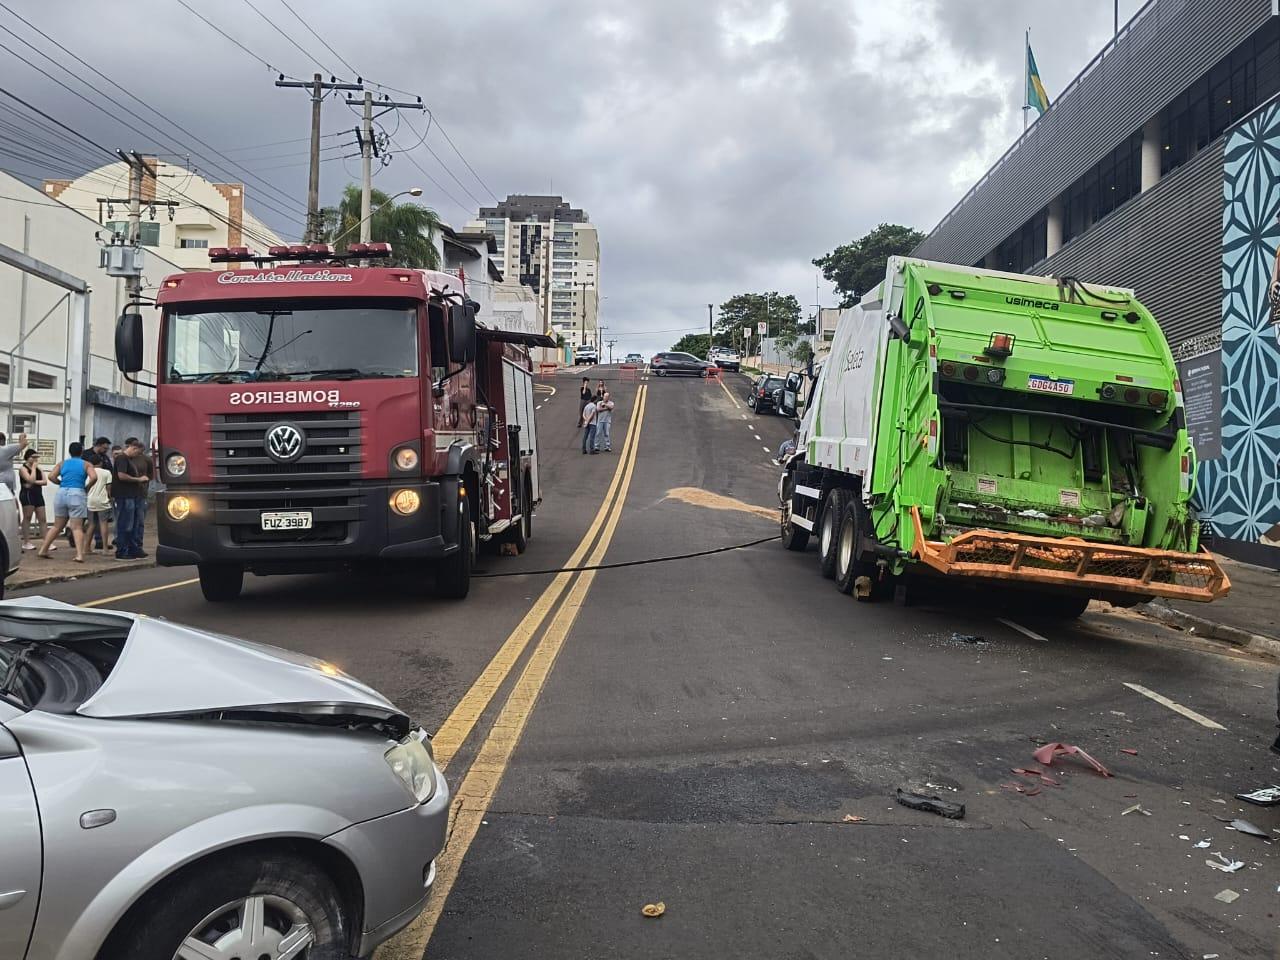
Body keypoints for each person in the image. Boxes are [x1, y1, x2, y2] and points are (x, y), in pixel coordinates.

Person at [36, 442, 96, 562]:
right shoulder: (86, 464)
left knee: (57, 526)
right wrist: (87, 487)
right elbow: (94, 477)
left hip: (62, 493)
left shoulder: (62, 463)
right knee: (77, 527)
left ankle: (43, 549)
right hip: (77, 493)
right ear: (82, 452)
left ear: (70, 452)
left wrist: (60, 483)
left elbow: (51, 476)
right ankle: (79, 554)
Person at [113, 437, 151, 560]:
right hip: (124, 495)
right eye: (137, 452)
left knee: (132, 524)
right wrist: (138, 479)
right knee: (125, 523)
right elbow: (121, 476)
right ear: (133, 448)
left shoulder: (128, 460)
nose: (137, 455)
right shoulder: (122, 459)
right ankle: (122, 550)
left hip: (132, 495)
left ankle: (131, 549)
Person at [18, 449, 49, 550]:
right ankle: (26, 541)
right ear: (27, 457)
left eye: (36, 457)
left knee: (42, 518)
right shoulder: (23, 469)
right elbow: (30, 479)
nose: (35, 459)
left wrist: (33, 482)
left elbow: (45, 481)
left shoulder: (39, 469)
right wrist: (34, 469)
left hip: (37, 493)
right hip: (27, 494)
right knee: (28, 517)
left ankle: (46, 541)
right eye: (33, 457)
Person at [86, 455, 113, 554]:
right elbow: (108, 488)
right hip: (102, 500)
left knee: (91, 524)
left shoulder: (88, 472)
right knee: (103, 523)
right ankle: (105, 548)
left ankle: (86, 547)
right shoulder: (107, 472)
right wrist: (110, 499)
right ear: (101, 463)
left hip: (90, 500)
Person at [0, 430, 28, 496]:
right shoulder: (5, 450)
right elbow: (24, 443)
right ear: (2, 441)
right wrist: (22, 436)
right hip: (5, 486)